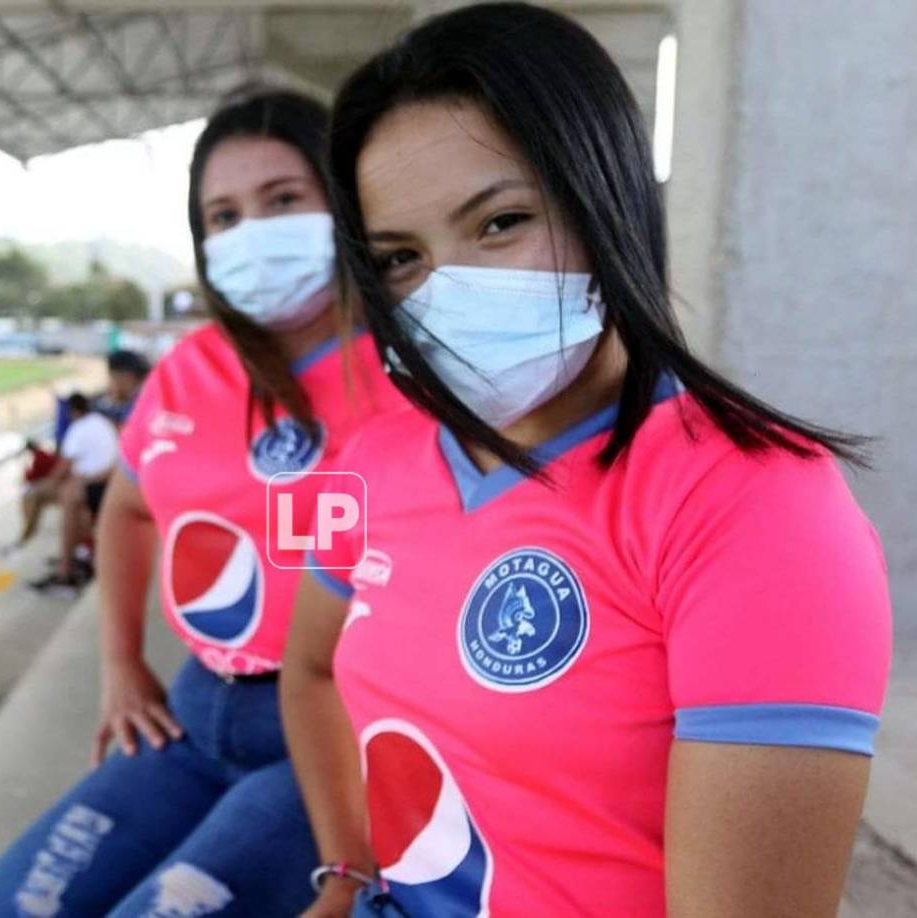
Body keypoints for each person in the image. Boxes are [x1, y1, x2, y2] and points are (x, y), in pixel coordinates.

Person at [281, 5, 893, 917]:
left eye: (499, 222)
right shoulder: (360, 458)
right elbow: (308, 669)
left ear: (605, 196)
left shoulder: (762, 504)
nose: (449, 291)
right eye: (402, 258)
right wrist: (345, 868)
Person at [0, 88, 403, 917]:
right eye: (224, 215)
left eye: (282, 201)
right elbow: (127, 510)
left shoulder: (411, 376)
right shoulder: (190, 368)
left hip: (335, 724)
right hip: (198, 708)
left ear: (341, 202)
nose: (253, 234)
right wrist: (121, 663)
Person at [30, 392, 120, 595]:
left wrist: (49, 484)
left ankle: (66, 571)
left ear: (73, 411)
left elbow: (64, 466)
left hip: (99, 486)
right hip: (108, 484)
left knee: (67, 496)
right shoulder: (101, 421)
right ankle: (75, 555)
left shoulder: (78, 428)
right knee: (73, 500)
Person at [93, 349, 151, 426]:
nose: (114, 383)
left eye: (122, 378)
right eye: (113, 377)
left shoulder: (142, 406)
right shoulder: (101, 403)